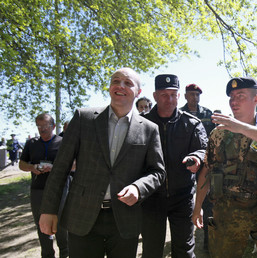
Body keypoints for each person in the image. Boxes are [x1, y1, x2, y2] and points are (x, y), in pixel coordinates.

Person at [39, 67, 166, 258]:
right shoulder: (84, 118)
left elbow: (157, 172)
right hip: (82, 217)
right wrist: (49, 210)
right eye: (116, 81)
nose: (120, 86)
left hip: (124, 220)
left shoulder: (149, 129)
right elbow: (60, 168)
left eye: (127, 83)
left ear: (138, 92)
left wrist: (139, 188)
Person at [192, 77, 257, 257]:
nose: (233, 101)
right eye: (231, 97)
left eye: (240, 96)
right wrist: (198, 207)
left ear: (256, 99)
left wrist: (241, 128)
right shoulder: (219, 133)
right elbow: (206, 170)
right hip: (229, 211)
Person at [141, 74, 208, 258]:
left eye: (173, 94)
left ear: (179, 96)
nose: (169, 99)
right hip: (151, 198)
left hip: (183, 197)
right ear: (155, 96)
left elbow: (203, 149)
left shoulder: (191, 123)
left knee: (184, 251)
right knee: (151, 250)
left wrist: (196, 157)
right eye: (164, 95)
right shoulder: (142, 123)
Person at [19, 113, 69, 258]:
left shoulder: (63, 142)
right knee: (42, 226)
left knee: (61, 226)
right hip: (38, 190)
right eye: (39, 126)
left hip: (60, 189)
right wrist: (32, 167)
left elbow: (74, 165)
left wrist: (55, 168)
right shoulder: (31, 143)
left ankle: (65, 254)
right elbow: (22, 164)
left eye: (45, 126)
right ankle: (47, 255)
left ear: (53, 126)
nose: (42, 129)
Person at [180, 83, 216, 251]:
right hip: (184, 165)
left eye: (197, 95)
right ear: (186, 96)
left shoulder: (208, 114)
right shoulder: (179, 114)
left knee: (208, 203)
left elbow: (214, 138)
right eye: (191, 94)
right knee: (185, 200)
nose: (194, 97)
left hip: (205, 165)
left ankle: (208, 244)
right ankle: (185, 243)